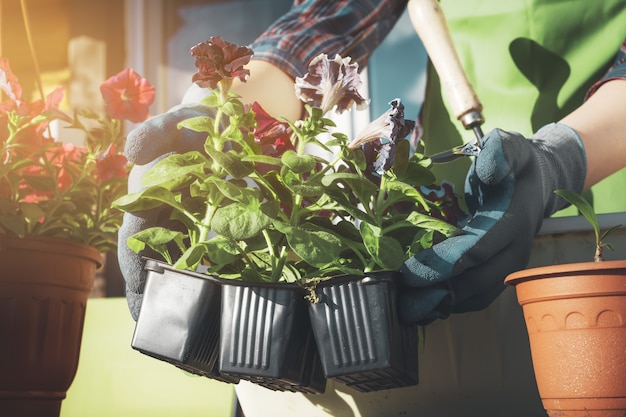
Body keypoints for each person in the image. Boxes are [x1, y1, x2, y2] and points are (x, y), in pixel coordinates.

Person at [119, 0, 626, 415]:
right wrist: (220, 118)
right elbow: (329, 17)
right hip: (462, 194)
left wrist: (560, 158)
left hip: (612, 188)